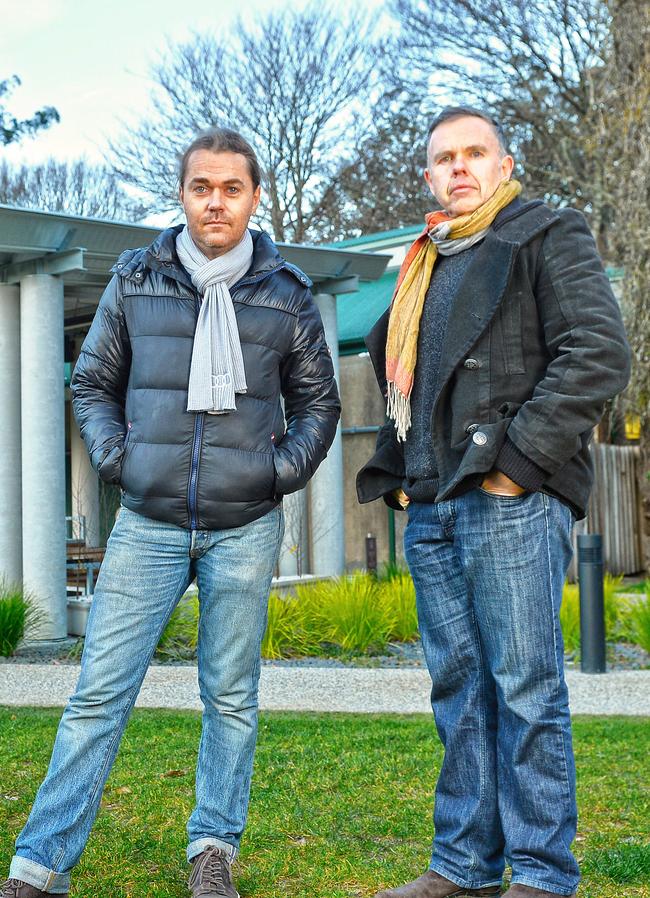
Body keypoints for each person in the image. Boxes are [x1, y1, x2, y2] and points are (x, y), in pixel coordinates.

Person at [2, 127, 340, 898]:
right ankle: (39, 864)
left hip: (245, 526)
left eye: (231, 188)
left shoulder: (285, 294)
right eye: (201, 187)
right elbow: (92, 384)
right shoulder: (136, 279)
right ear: (182, 194)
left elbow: (319, 405)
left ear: (255, 197)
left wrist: (272, 474)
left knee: (229, 694)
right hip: (148, 524)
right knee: (99, 692)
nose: (215, 201)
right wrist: (124, 463)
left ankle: (214, 849)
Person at [357, 107, 630, 898]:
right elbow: (410, 382)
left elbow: (598, 353)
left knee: (524, 689)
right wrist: (407, 478)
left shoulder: (546, 235)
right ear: (429, 178)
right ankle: (463, 867)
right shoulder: (424, 265)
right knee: (458, 692)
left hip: (509, 498)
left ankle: (542, 875)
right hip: (435, 506)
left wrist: (517, 464)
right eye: (444, 159)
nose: (460, 167)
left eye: (476, 153)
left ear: (505, 165)